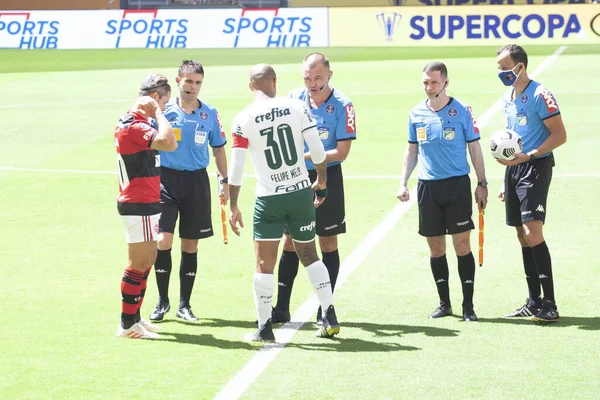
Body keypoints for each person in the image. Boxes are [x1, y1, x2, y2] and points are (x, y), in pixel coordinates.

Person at [228, 63, 340, 342]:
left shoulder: (243, 118)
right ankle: (329, 313)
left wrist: (233, 205)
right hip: (301, 192)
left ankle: (265, 327)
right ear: (274, 82)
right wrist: (322, 182)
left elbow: (237, 167)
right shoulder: (297, 106)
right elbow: (317, 149)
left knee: (264, 264)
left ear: (251, 86)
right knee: (310, 254)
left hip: (269, 199)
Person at [397, 61, 488, 322]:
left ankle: (468, 305)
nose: (428, 87)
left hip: (457, 185)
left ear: (446, 83)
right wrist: (403, 182)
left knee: (461, 245)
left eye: (434, 82)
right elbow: (412, 150)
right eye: (425, 82)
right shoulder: (416, 113)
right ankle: (444, 303)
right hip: (428, 187)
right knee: (436, 248)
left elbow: (474, 148)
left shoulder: (461, 111)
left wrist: (482, 183)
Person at [272, 53, 356, 324]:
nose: (312, 83)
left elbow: (342, 152)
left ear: (330, 75)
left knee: (327, 241)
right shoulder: (293, 98)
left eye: (318, 77)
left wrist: (308, 156)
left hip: (327, 176)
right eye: (307, 77)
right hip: (294, 179)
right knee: (290, 241)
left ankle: (325, 309)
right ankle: (281, 308)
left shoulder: (343, 105)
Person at [149, 60, 229, 322]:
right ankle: (162, 302)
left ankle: (185, 305)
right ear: (178, 81)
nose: (193, 87)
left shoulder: (209, 113)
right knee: (163, 242)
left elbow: (218, 148)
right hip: (166, 181)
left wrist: (224, 181)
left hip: (197, 183)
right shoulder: (164, 111)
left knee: (190, 245)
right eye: (188, 81)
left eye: (197, 82)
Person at [495, 44, 567, 323]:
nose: (500, 72)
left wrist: (531, 155)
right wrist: (506, 178)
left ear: (520, 67)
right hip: (514, 170)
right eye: (498, 67)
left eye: (504, 67)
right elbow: (512, 135)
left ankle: (550, 304)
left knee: (532, 230)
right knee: (521, 234)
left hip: (536, 166)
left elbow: (559, 135)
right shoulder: (507, 97)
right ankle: (533, 301)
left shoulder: (541, 94)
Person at [115, 74, 177, 339]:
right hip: (137, 203)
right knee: (137, 263)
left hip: (148, 201)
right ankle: (127, 323)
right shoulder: (133, 125)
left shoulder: (140, 123)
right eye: (163, 101)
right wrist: (159, 115)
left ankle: (136, 318)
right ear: (155, 98)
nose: (165, 107)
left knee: (148, 260)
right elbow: (169, 142)